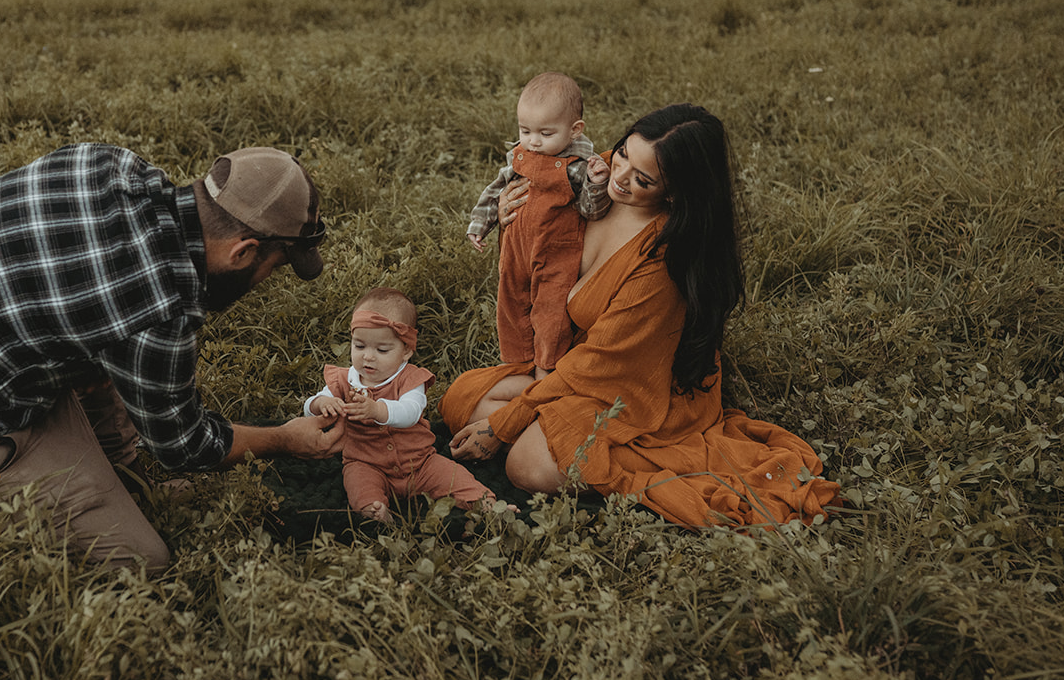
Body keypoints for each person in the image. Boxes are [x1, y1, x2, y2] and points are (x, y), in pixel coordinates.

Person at [0, 144, 343, 572]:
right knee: (141, 559)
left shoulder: (111, 165)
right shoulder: (157, 307)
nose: (264, 283)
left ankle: (118, 479)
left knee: (103, 380)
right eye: (273, 268)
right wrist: (283, 438)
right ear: (243, 251)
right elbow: (186, 446)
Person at [446, 105, 840, 527]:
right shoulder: (592, 193)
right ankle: (549, 424)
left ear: (674, 193)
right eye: (623, 154)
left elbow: (604, 364)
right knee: (461, 399)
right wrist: (515, 222)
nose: (620, 176)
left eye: (643, 178)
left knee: (527, 466)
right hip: (572, 364)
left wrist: (507, 423)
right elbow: (537, 277)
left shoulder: (661, 261)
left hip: (632, 385)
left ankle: (581, 442)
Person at [304, 287, 500, 524]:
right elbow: (309, 406)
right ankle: (374, 510)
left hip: (420, 463)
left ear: (406, 350)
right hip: (366, 462)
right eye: (359, 346)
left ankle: (488, 504)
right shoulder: (343, 380)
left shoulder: (410, 379)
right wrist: (323, 404)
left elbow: (411, 411)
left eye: (382, 350)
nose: (368, 357)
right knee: (358, 482)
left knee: (453, 476)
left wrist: (377, 410)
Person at [467, 72, 611, 378]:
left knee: (550, 315)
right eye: (525, 130)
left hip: (556, 257)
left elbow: (591, 210)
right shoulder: (523, 154)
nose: (533, 141)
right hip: (516, 252)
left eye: (546, 133)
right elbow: (496, 189)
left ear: (575, 130)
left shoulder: (579, 167)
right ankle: (516, 366)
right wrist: (480, 224)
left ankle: (546, 370)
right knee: (512, 308)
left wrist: (597, 185)